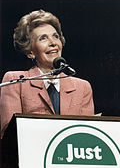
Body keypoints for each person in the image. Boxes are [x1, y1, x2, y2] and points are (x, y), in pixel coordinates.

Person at [0, 9, 94, 138]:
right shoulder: (16, 81)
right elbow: (9, 134)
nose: (53, 43)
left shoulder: (82, 87)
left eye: (55, 36)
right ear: (30, 51)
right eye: (43, 38)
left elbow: (87, 136)